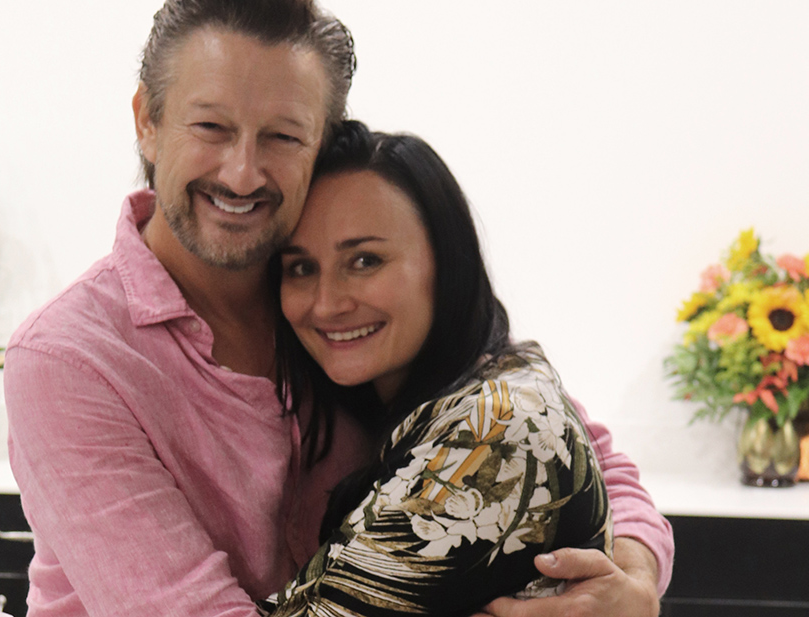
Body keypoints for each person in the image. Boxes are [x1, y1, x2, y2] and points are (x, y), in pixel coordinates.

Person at [3, 1, 671, 616]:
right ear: (147, 122)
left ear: (323, 143)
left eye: (282, 136)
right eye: (211, 126)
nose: (241, 173)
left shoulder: (333, 307)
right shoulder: (68, 359)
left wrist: (633, 584)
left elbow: (584, 450)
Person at [258, 120, 612, 616]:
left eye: (365, 261)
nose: (326, 303)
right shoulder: (481, 383)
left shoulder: (498, 426)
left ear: (447, 262)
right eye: (301, 267)